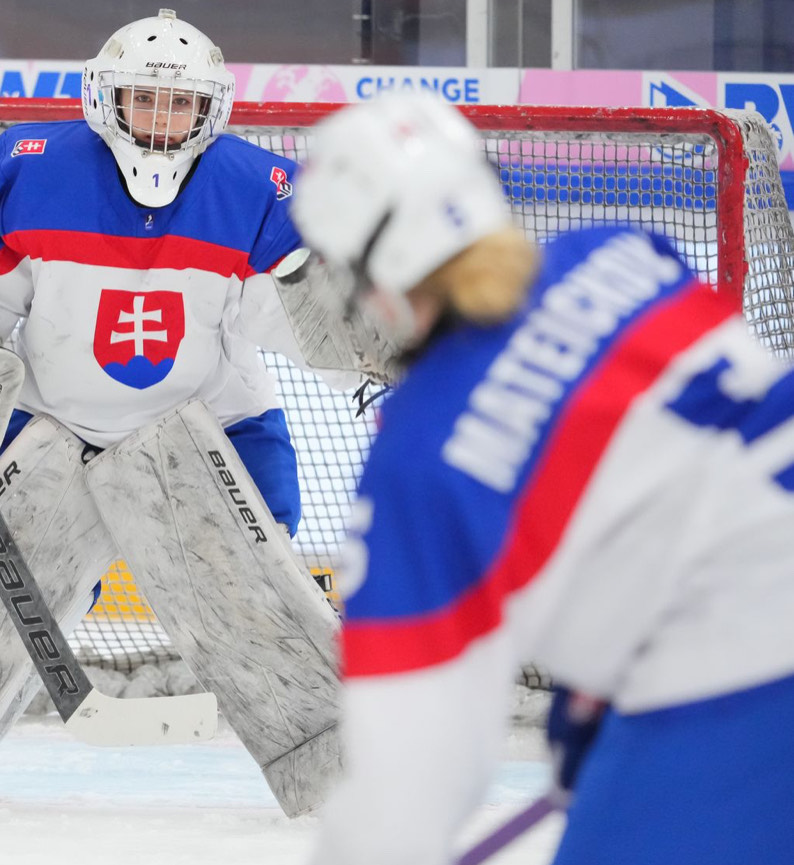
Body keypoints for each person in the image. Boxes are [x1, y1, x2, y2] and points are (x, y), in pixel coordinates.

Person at [0, 9, 367, 819]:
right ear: (105, 99)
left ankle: (344, 771)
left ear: (211, 111)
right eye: (145, 101)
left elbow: (311, 320)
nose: (161, 124)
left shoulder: (255, 188)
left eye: (179, 106)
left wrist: (380, 369)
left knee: (260, 604)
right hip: (53, 422)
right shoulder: (29, 170)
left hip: (208, 424)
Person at [290, 91, 794, 865]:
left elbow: (408, 789)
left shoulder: (421, 455)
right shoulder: (621, 251)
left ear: (374, 271)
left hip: (735, 664)